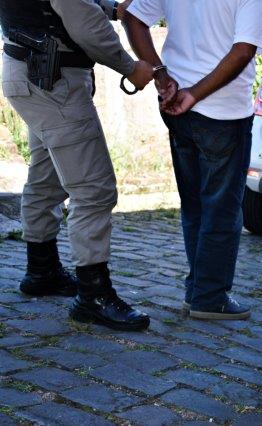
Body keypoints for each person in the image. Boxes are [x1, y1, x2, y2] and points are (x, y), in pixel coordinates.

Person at [0, 0, 154, 331]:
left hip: (34, 74)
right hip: (53, 83)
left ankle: (41, 271)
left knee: (47, 177)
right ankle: (93, 296)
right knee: (93, 188)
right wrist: (130, 66)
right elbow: (85, 24)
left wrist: (112, 8)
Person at [123, 0, 262, 320]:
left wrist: (162, 77)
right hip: (221, 113)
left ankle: (198, 290)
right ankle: (209, 297)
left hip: (176, 105)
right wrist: (194, 93)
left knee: (195, 204)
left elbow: (133, 17)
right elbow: (243, 50)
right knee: (221, 208)